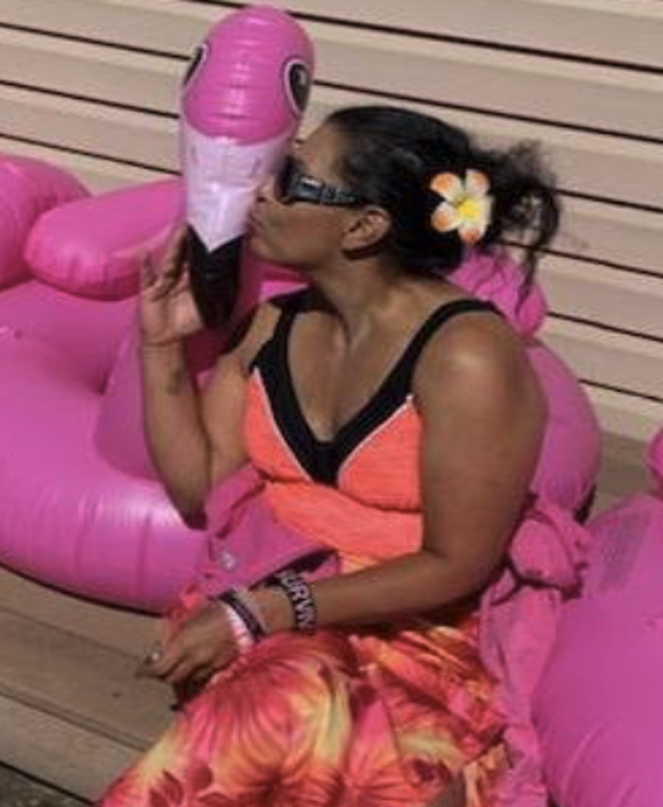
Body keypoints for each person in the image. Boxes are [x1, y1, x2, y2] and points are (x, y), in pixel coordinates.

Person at [98, 105, 559, 807]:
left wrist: (268, 612)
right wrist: (161, 344)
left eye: (291, 178)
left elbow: (457, 563)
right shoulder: (270, 328)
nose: (261, 192)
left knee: (279, 707)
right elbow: (198, 488)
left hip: (415, 626)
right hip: (270, 593)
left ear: (363, 226)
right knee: (280, 703)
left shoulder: (466, 356)